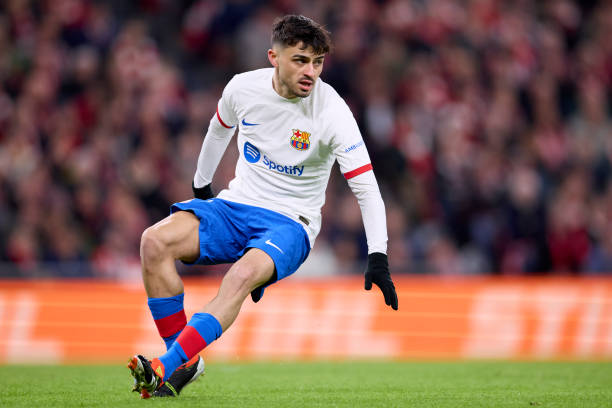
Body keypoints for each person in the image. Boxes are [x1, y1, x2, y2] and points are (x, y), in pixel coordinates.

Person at [127, 14, 398, 399]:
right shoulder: (243, 88)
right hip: (237, 205)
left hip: (291, 223)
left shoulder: (333, 111)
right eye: (300, 60)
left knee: (238, 277)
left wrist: (378, 256)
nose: (311, 72)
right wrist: (202, 185)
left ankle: (162, 367)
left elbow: (366, 187)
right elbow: (219, 129)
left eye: (318, 62)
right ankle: (182, 362)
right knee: (153, 242)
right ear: (274, 57)